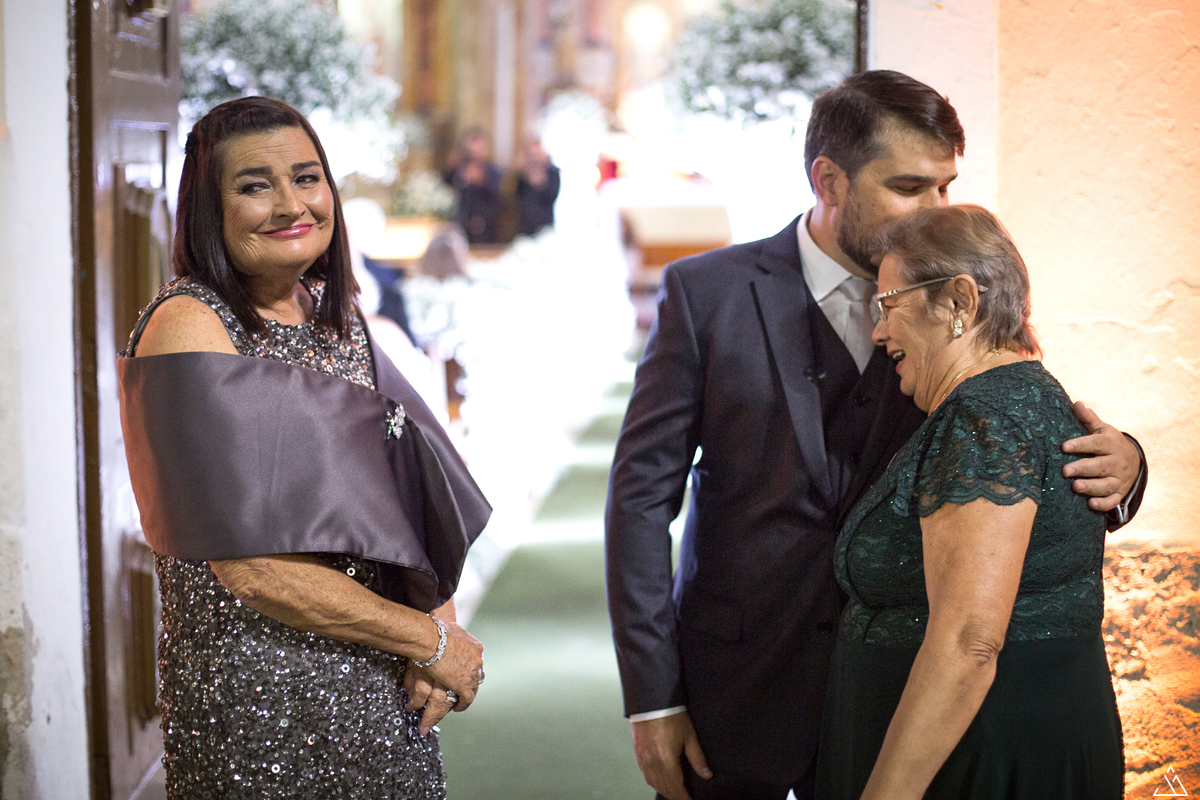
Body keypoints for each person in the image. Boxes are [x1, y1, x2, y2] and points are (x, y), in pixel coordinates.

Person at [604, 70, 1146, 800]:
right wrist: (654, 696)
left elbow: (1017, 413)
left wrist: (1130, 464)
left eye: (946, 186)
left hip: (901, 706)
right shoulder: (708, 295)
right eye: (910, 187)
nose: (936, 209)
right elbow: (639, 501)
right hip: (737, 688)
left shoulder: (954, 295)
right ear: (829, 180)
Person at [118, 97, 491, 798]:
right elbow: (252, 565)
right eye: (254, 186)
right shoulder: (191, 325)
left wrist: (437, 621)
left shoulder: (338, 316)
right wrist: (430, 642)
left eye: (306, 177)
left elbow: (409, 489)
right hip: (263, 705)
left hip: (382, 689)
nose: (292, 204)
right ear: (209, 208)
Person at [816, 204, 1124, 798]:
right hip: (1015, 734)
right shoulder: (1022, 397)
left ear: (959, 302)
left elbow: (968, 643)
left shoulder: (982, 418)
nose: (878, 332)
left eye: (888, 305)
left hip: (981, 753)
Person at [445, 128, 502, 244]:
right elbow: (448, 186)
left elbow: (496, 198)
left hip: (484, 228)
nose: (474, 152)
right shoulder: (459, 168)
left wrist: (481, 181)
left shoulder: (492, 171)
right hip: (460, 225)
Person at [515, 136, 560, 236]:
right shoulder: (521, 175)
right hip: (525, 228)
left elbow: (552, 196)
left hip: (546, 227)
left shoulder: (552, 172)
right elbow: (517, 198)